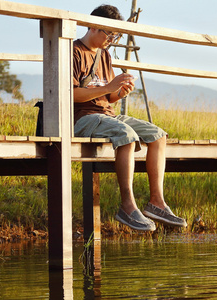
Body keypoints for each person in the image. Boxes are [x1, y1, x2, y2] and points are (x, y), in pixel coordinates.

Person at [73, 4, 187, 231]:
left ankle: (156, 203)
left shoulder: (104, 55)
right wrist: (109, 86)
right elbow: (73, 94)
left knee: (157, 134)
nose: (113, 40)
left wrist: (118, 92)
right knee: (126, 134)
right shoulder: (73, 51)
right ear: (94, 26)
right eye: (111, 33)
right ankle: (127, 206)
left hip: (106, 115)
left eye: (117, 35)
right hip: (82, 118)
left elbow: (107, 95)